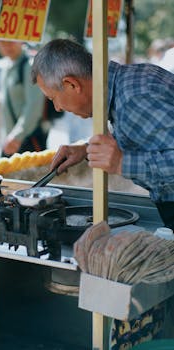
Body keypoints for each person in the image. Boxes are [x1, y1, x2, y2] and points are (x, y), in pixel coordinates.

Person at [31, 38, 174, 230]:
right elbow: (149, 137)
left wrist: (121, 162)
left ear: (71, 84)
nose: (57, 108)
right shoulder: (129, 84)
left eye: (53, 98)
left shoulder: (134, 98)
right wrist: (86, 149)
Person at [0, 40, 46, 157]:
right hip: (9, 139)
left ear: (21, 40)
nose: (7, 45)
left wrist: (17, 136)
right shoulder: (6, 65)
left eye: (11, 41)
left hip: (26, 140)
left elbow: (34, 106)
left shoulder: (30, 65)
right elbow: (10, 94)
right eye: (2, 42)